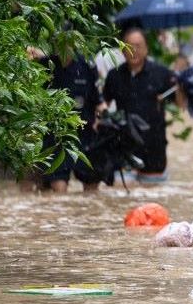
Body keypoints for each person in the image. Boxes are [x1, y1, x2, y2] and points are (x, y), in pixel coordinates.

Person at [102, 28, 181, 182]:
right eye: (129, 46)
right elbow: (103, 105)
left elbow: (180, 104)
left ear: (146, 49)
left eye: (138, 46)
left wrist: (181, 80)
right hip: (124, 151)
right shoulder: (114, 75)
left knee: (152, 201)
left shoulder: (162, 74)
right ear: (122, 49)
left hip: (154, 151)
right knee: (119, 198)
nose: (134, 50)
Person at [26, 47, 104, 193]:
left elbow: (98, 100)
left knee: (92, 186)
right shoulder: (45, 64)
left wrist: (104, 118)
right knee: (59, 189)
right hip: (55, 136)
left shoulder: (87, 64)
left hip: (85, 135)